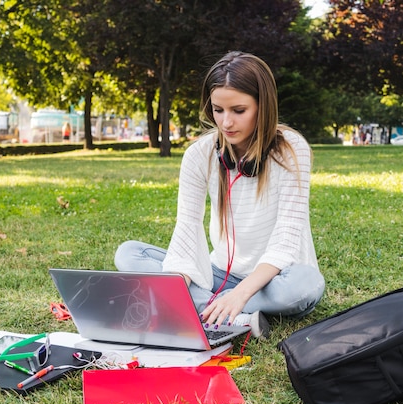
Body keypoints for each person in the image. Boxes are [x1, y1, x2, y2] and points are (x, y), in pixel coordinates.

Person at [114, 51, 325, 339]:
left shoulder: (291, 150)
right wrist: (177, 283)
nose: (226, 123)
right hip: (216, 275)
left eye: (239, 111)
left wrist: (239, 293)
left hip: (275, 280)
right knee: (129, 254)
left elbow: (287, 241)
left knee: (306, 284)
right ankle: (237, 317)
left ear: (263, 107)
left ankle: (207, 307)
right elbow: (187, 227)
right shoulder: (199, 154)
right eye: (218, 110)